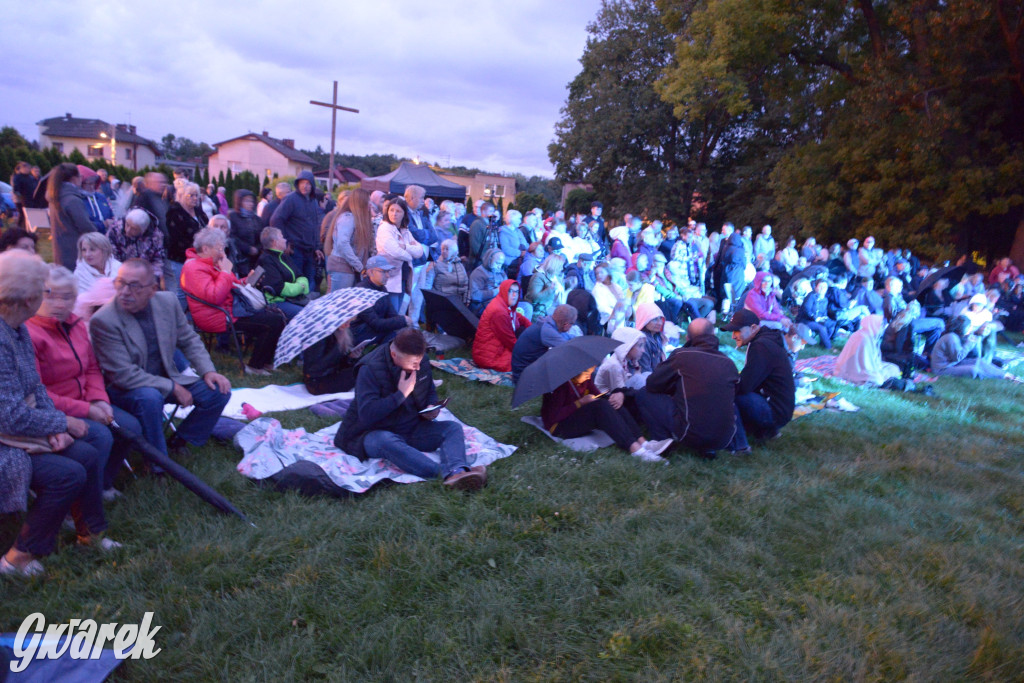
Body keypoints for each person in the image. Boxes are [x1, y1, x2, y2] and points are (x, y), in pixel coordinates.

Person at [0, 252, 118, 578]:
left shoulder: (16, 328)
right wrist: (62, 422)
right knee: (66, 474)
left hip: (18, 429)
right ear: (27, 298)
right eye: (43, 289)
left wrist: (53, 422)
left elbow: (35, 387)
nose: (47, 295)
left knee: (87, 454)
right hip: (7, 438)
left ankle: (90, 534)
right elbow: (8, 415)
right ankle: (17, 558)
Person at [90, 259, 232, 458]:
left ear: (152, 289)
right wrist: (172, 387)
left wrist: (209, 370)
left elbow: (189, 339)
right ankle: (157, 463)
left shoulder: (167, 302)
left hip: (166, 379)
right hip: (125, 389)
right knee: (150, 397)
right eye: (120, 283)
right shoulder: (104, 320)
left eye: (135, 286)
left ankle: (179, 441)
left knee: (219, 391)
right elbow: (123, 375)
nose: (124, 292)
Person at [26, 265, 143, 499]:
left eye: (67, 297)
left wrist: (99, 399)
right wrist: (87, 410)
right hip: (55, 410)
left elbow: (91, 368)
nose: (59, 303)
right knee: (100, 435)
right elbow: (37, 394)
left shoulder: (76, 324)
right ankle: (75, 500)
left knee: (130, 427)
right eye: (51, 295)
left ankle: (101, 483)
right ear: (37, 295)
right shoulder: (30, 334)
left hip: (85, 400)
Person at [336, 328, 487, 490]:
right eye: (413, 363)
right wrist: (400, 394)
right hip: (370, 432)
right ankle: (447, 475)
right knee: (386, 440)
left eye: (419, 361)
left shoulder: (420, 360)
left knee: (452, 428)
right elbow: (367, 415)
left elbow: (429, 390)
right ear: (394, 355)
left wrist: (431, 406)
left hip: (409, 426)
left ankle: (458, 470)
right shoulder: (369, 369)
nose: (417, 367)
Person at [181, 228, 285, 375]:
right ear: (205, 248)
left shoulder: (211, 262)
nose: (223, 252)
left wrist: (247, 281)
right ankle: (255, 366)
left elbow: (231, 284)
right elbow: (214, 297)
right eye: (219, 248)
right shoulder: (194, 268)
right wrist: (225, 272)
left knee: (276, 316)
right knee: (272, 321)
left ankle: (265, 362)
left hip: (230, 309)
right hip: (217, 316)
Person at [644, 318, 742, 457]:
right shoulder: (729, 363)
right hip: (724, 439)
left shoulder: (682, 356)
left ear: (688, 338)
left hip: (689, 433)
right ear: (713, 335)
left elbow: (653, 384)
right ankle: (723, 446)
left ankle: (663, 440)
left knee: (645, 393)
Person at [541, 365, 671, 463]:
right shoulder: (561, 384)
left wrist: (616, 395)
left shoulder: (585, 378)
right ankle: (636, 450)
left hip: (576, 414)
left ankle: (644, 443)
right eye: (586, 373)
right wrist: (580, 403)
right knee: (600, 406)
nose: (588, 376)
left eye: (590, 372)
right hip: (558, 425)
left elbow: (599, 395)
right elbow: (553, 416)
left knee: (611, 402)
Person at [722, 309, 795, 441]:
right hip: (781, 408)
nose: (733, 336)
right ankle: (765, 431)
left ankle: (739, 444)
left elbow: (745, 385)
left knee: (727, 394)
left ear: (753, 328)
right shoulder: (765, 340)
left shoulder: (761, 346)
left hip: (775, 411)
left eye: (737, 330)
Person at [269, 171, 323, 286]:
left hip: (310, 250)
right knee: (296, 281)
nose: (305, 186)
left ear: (312, 185)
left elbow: (315, 225)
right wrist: (285, 242)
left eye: (308, 183)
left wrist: (317, 247)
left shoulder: (313, 201)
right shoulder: (290, 199)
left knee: (310, 281)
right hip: (295, 249)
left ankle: (308, 303)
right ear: (297, 184)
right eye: (302, 183)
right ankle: (297, 304)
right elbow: (275, 220)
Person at [375, 197, 424, 315]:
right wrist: (409, 255)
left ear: (404, 214)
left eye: (398, 211)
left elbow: (420, 251)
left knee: (398, 312)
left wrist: (405, 246)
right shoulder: (385, 228)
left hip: (403, 276)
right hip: (389, 278)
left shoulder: (405, 230)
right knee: (392, 313)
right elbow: (395, 251)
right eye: (391, 210)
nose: (394, 214)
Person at [349, 255, 411, 347]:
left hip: (375, 329)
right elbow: (375, 323)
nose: (387, 275)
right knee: (394, 337)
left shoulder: (382, 289)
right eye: (383, 272)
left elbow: (392, 315)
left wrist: (400, 322)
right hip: (359, 332)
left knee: (400, 336)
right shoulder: (361, 291)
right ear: (370, 272)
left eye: (388, 271)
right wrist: (402, 320)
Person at [473, 279, 531, 372]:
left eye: (516, 292)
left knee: (524, 332)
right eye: (510, 291)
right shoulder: (499, 311)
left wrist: (530, 327)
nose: (514, 295)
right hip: (489, 355)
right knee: (525, 362)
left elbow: (517, 316)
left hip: (497, 347)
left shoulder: (503, 303)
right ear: (504, 291)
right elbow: (509, 340)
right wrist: (524, 352)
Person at [165, 181, 209, 302]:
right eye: (191, 195)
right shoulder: (174, 212)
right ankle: (177, 318)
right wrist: (200, 248)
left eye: (197, 195)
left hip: (198, 257)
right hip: (180, 258)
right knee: (182, 291)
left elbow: (207, 228)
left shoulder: (198, 211)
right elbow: (177, 238)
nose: (195, 198)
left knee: (194, 290)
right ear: (181, 195)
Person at [511, 304, 577, 383]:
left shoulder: (548, 322)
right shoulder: (547, 331)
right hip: (523, 375)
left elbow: (567, 337)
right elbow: (568, 349)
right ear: (566, 324)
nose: (572, 326)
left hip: (526, 367)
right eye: (572, 323)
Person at [323, 188, 374, 291]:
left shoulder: (353, 218)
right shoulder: (348, 218)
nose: (370, 204)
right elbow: (343, 244)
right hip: (342, 267)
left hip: (347, 267)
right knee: (339, 303)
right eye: (368, 201)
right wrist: (359, 266)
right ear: (361, 202)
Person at [47, 163, 96, 269]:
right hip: (74, 249)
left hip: (60, 248)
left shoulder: (56, 196)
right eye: (80, 177)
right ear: (74, 179)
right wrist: (100, 237)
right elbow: (85, 225)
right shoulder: (72, 199)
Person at [257, 227, 310, 320]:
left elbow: (300, 276)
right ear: (274, 242)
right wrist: (301, 287)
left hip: (294, 299)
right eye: (282, 237)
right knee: (307, 315)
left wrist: (299, 285)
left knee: (319, 310)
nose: (285, 240)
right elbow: (278, 288)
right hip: (277, 302)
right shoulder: (266, 260)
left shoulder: (284, 257)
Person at [834, 314, 902, 385]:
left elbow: (873, 360)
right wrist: (876, 371)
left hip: (869, 366)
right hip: (854, 370)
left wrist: (877, 368)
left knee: (894, 368)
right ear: (873, 324)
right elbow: (864, 364)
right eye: (880, 325)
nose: (882, 327)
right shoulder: (863, 338)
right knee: (877, 380)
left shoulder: (871, 336)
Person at [930, 315, 1007, 379]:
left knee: (978, 361)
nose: (970, 328)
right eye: (969, 326)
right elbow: (958, 357)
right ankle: (994, 376)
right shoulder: (951, 337)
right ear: (962, 328)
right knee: (973, 370)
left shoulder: (957, 336)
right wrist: (968, 344)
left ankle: (1005, 375)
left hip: (952, 364)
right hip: (942, 369)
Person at [303, 322, 365, 395]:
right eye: (346, 322)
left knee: (363, 365)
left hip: (331, 373)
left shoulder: (337, 333)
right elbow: (315, 367)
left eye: (350, 322)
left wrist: (351, 357)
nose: (348, 325)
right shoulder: (319, 337)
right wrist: (337, 349)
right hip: (317, 383)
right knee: (361, 371)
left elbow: (337, 363)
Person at [107, 208, 165, 285]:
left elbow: (157, 260)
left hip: (144, 275)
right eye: (127, 225)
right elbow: (111, 255)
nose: (127, 230)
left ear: (143, 230)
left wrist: (152, 278)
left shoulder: (156, 236)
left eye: (133, 229)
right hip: (119, 272)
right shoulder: (115, 229)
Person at [73, 232, 121, 320]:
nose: (87, 254)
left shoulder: (119, 267)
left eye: (92, 249)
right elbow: (84, 305)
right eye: (84, 250)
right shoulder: (79, 274)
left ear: (104, 250)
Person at [423, 238, 470, 306]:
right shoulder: (435, 264)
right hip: (442, 302)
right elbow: (427, 286)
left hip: (459, 302)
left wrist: (466, 299)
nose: (444, 251)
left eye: (447, 249)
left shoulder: (460, 265)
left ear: (454, 251)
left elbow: (466, 283)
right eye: (442, 249)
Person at [228, 189, 263, 274]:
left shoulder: (257, 219)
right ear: (239, 202)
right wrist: (248, 249)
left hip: (256, 258)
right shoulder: (233, 217)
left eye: (251, 201)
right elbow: (232, 237)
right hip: (240, 258)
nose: (250, 204)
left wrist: (257, 248)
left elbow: (262, 236)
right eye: (246, 201)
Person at [527, 253, 567, 321]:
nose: (562, 268)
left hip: (550, 308)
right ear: (554, 266)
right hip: (540, 312)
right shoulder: (538, 276)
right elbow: (534, 298)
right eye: (560, 266)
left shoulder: (555, 277)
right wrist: (550, 289)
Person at [797, 279, 836, 348]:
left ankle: (823, 343)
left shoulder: (825, 300)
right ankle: (829, 347)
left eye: (824, 287)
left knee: (832, 325)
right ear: (815, 287)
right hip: (806, 320)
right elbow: (806, 310)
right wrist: (816, 318)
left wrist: (824, 317)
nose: (822, 289)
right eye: (820, 286)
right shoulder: (811, 296)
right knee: (822, 328)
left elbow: (824, 312)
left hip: (818, 319)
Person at [469, 248, 507, 315]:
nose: (499, 267)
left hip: (499, 301)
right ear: (489, 260)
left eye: (501, 264)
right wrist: (496, 291)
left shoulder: (501, 272)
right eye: (497, 263)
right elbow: (475, 296)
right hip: (482, 306)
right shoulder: (478, 273)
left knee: (526, 307)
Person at [635, 302, 667, 374]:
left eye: (660, 319)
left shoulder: (658, 336)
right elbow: (646, 370)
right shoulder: (642, 341)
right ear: (644, 320)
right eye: (654, 319)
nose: (659, 323)